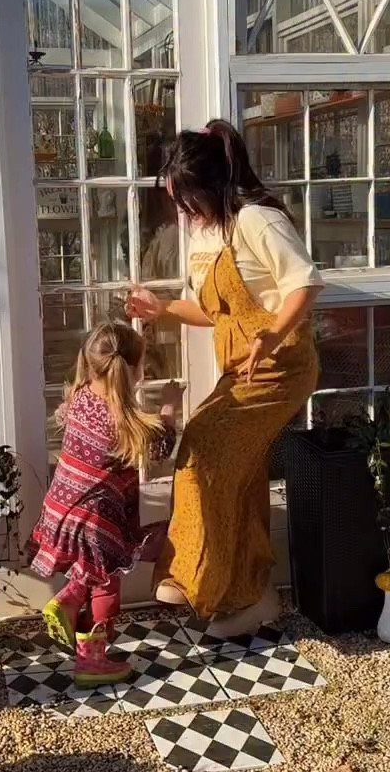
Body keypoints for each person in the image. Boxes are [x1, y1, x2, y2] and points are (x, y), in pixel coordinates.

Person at [127, 119, 323, 638]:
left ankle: (188, 574)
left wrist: (271, 336)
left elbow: (305, 283)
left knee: (204, 442)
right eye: (176, 202)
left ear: (213, 187)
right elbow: (215, 312)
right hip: (242, 367)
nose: (183, 213)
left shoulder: (257, 220)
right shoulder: (207, 233)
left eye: (189, 201)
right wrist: (164, 306)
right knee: (241, 476)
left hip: (282, 367)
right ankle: (253, 599)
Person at [29, 320, 181, 686]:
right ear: (133, 371)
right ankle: (91, 659)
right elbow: (162, 445)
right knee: (106, 587)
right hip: (99, 523)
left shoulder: (78, 397)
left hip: (65, 509)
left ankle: (69, 602)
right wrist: (170, 408)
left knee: (90, 573)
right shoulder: (126, 423)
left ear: (89, 362)